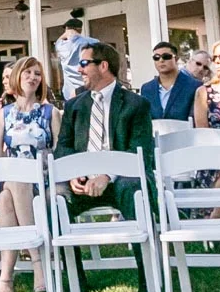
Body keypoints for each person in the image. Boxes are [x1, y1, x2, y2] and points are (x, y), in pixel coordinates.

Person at [56, 41, 155, 219]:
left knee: (133, 188)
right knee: (55, 195)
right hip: (82, 181)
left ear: (103, 66)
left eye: (84, 63)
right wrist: (73, 173)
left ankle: (146, 238)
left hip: (122, 179)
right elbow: (63, 147)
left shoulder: (136, 104)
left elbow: (140, 151)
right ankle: (59, 240)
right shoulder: (74, 106)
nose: (79, 69)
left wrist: (107, 175)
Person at [0, 56, 55, 292]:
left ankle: (5, 280)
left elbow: (58, 153)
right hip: (9, 177)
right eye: (27, 72)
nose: (32, 77)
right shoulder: (3, 114)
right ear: (17, 76)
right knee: (12, 184)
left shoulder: (50, 113)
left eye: (37, 73)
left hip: (42, 179)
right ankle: (38, 260)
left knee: (8, 198)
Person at [140, 41, 200, 122]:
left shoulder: (194, 86)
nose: (161, 60)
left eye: (166, 56)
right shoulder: (147, 89)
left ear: (176, 59)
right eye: (156, 57)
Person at [53, 18, 97, 101]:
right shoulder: (91, 42)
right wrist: (77, 35)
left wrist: (67, 33)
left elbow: (59, 40)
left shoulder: (60, 45)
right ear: (80, 29)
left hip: (69, 94)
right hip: (87, 90)